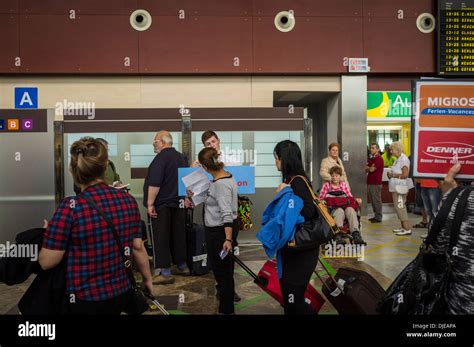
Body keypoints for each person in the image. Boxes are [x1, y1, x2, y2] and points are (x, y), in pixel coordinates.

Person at [38, 137, 153, 314]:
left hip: (85, 298)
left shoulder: (70, 207)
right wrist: (148, 280)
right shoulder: (128, 201)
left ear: (72, 169)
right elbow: (137, 247)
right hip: (121, 292)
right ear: (105, 166)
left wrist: (50, 234)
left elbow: (47, 262)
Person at [273, 140, 319, 314]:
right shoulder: (291, 180)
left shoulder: (298, 181)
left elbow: (308, 211)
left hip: (302, 252)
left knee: (294, 302)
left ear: (283, 159)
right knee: (289, 300)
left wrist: (284, 193)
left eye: (276, 158)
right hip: (294, 250)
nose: (275, 162)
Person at [143, 131, 189, 285]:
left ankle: (165, 272)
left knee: (161, 237)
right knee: (178, 235)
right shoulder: (181, 158)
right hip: (179, 204)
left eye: (155, 141)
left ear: (162, 142)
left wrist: (150, 204)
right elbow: (187, 181)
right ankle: (182, 266)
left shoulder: (160, 158)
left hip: (162, 205)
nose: (154, 145)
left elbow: (154, 183)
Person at [197, 147, 238, 314]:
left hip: (220, 233)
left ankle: (226, 310)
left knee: (223, 274)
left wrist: (227, 240)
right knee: (224, 272)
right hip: (220, 231)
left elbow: (226, 213)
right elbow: (214, 201)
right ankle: (225, 308)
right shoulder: (224, 176)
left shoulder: (220, 184)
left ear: (205, 167)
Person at [319, 166, 365, 245]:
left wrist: (356, 200)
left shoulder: (343, 185)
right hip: (333, 208)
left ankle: (356, 234)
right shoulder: (327, 186)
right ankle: (338, 234)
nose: (334, 178)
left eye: (336, 176)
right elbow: (320, 199)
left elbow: (350, 197)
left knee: (350, 210)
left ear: (340, 176)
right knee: (339, 211)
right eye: (332, 176)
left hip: (345, 206)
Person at [387, 141, 414, 236]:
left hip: (401, 187)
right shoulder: (398, 159)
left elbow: (405, 175)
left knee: (400, 207)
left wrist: (393, 174)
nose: (391, 151)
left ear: (398, 149)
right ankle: (403, 227)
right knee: (398, 206)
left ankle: (407, 228)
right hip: (397, 187)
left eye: (392, 149)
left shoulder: (403, 159)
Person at [366, 143, 384, 223]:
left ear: (378, 149)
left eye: (373, 148)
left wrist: (369, 168)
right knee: (372, 200)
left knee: (376, 200)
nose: (371, 149)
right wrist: (369, 168)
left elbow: (371, 169)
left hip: (376, 183)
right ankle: (375, 216)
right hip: (370, 182)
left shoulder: (379, 159)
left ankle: (378, 217)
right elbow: (366, 168)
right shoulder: (372, 158)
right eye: (371, 148)